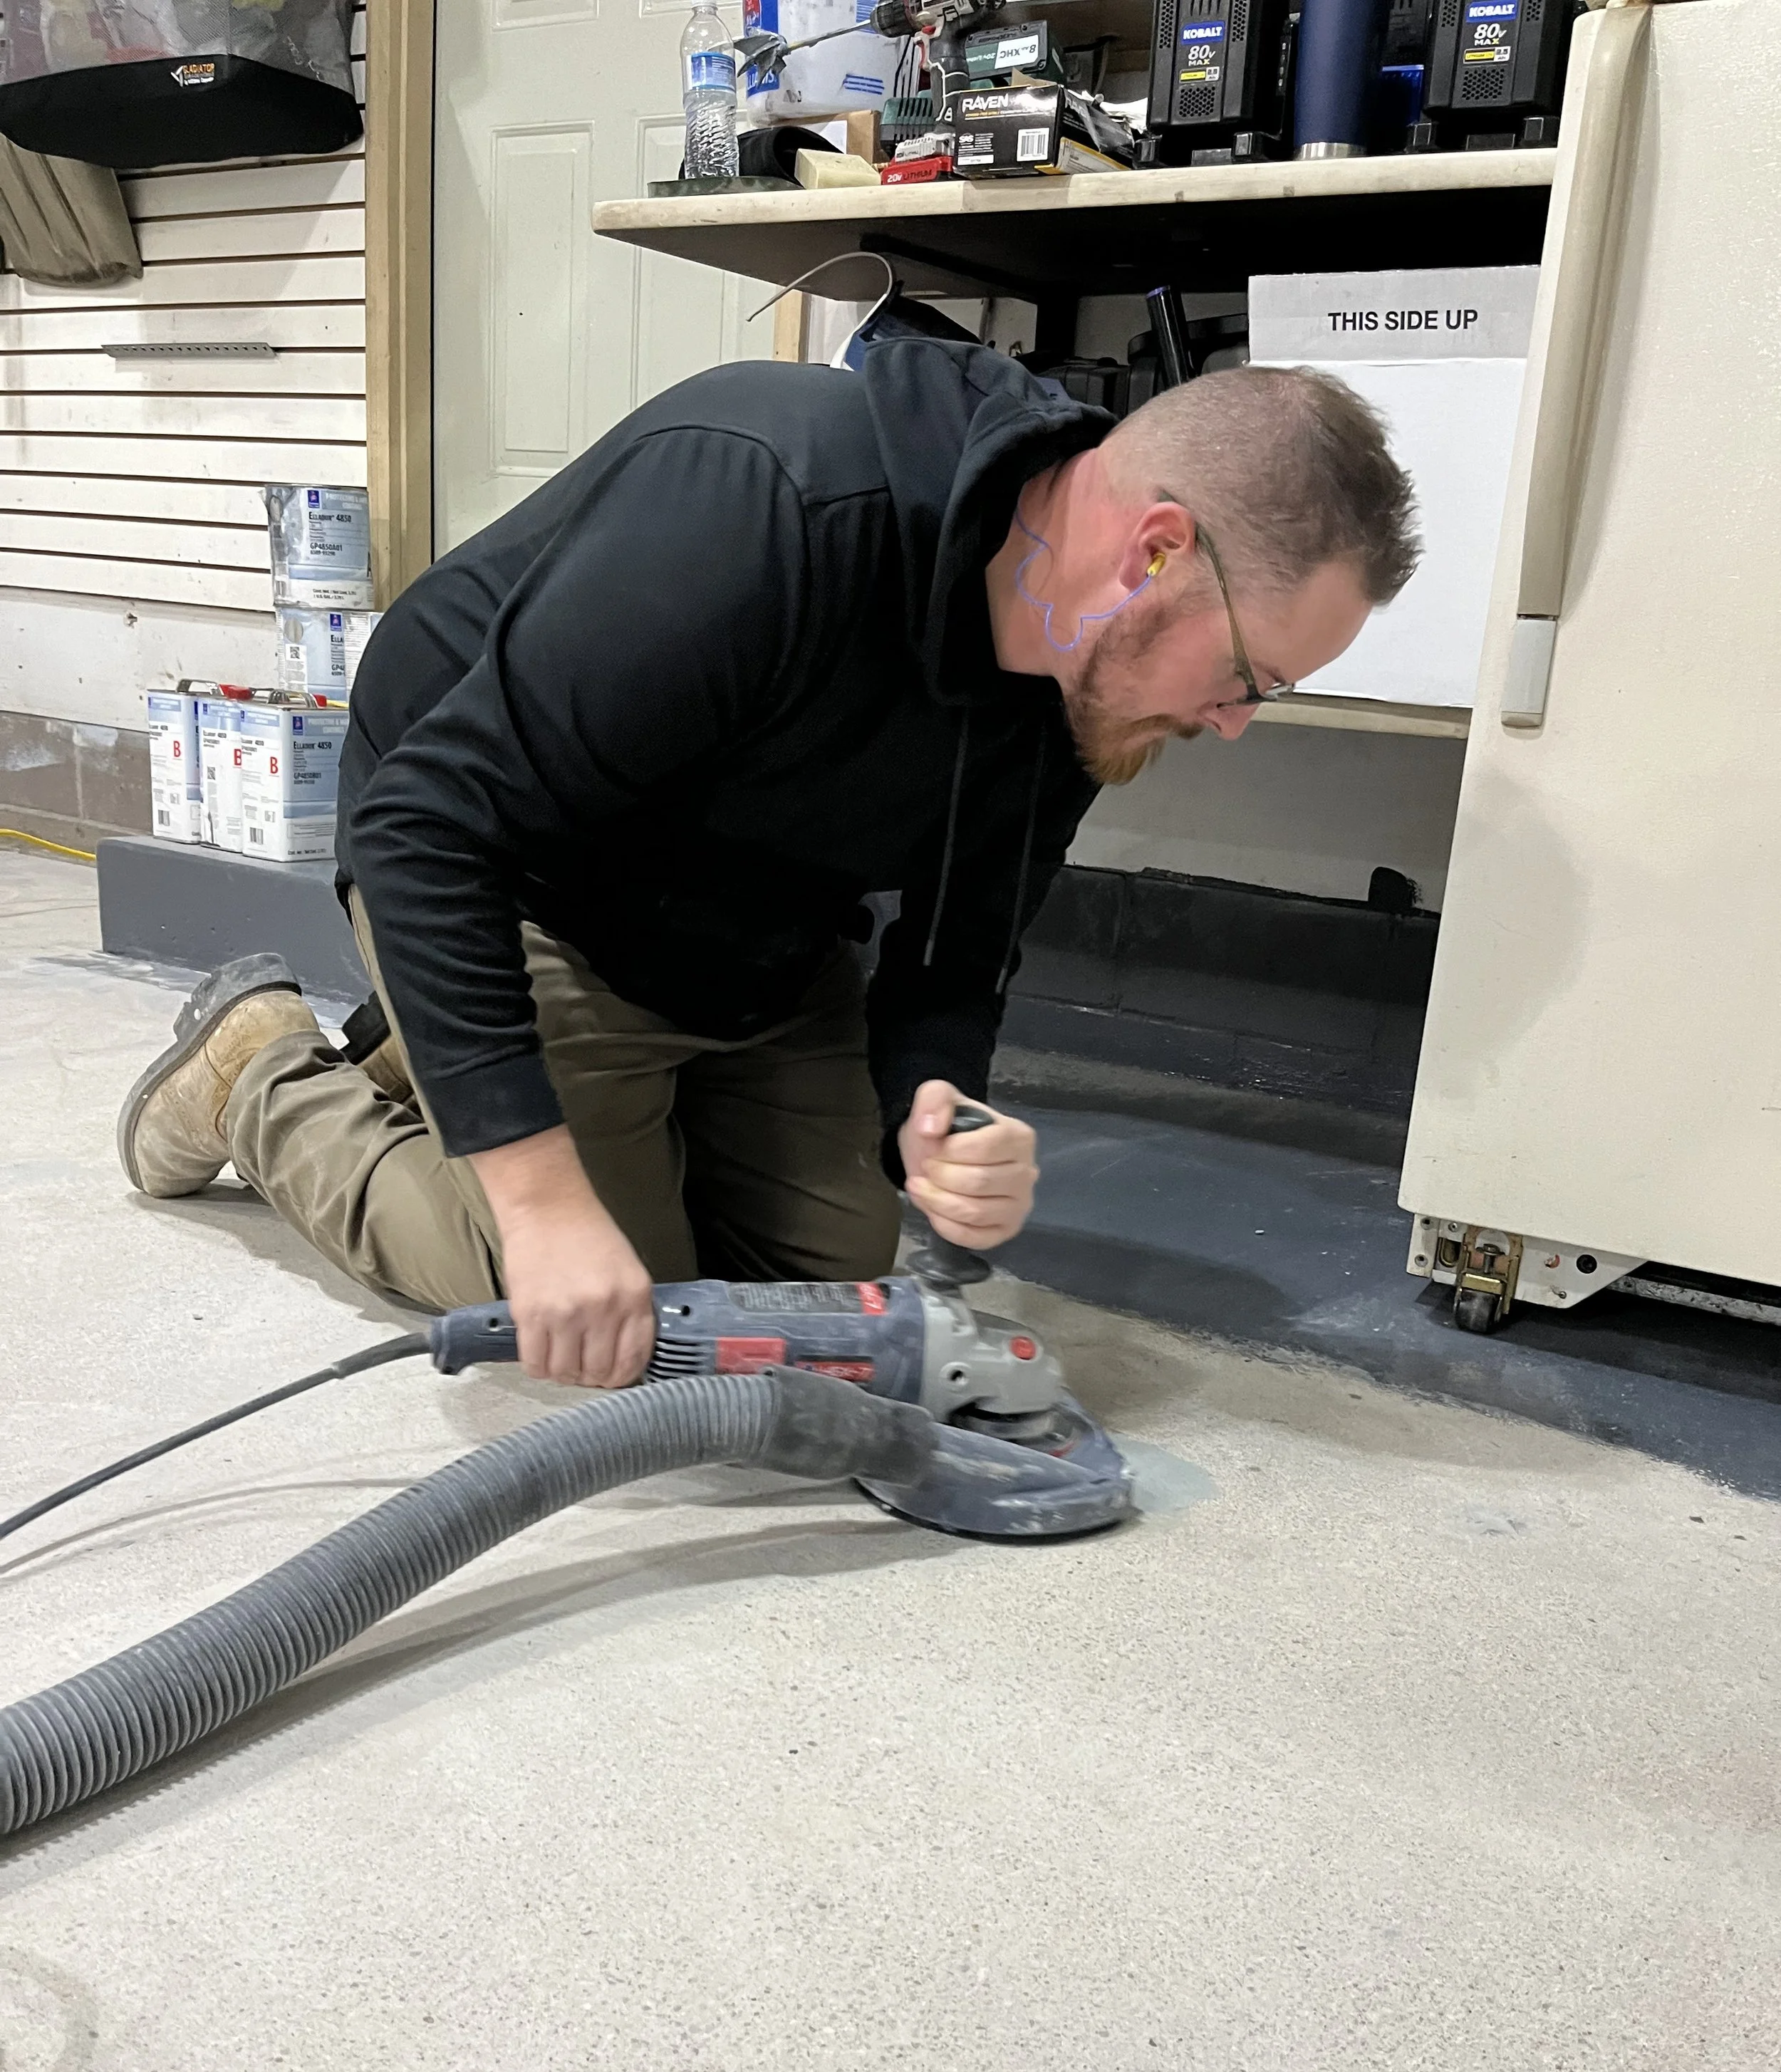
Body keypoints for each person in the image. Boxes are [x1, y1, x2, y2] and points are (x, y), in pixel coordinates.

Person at [118, 340, 1418, 1387]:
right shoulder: (773, 499)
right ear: (1155, 555)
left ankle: (461, 1061)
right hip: (522, 877)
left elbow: (958, 959)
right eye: (1253, 677)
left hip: (757, 923)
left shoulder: (1088, 697)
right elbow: (425, 829)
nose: (1236, 722)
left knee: (821, 1295)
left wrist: (938, 1120)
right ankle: (261, 1068)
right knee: (578, 1301)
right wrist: (541, 1198)